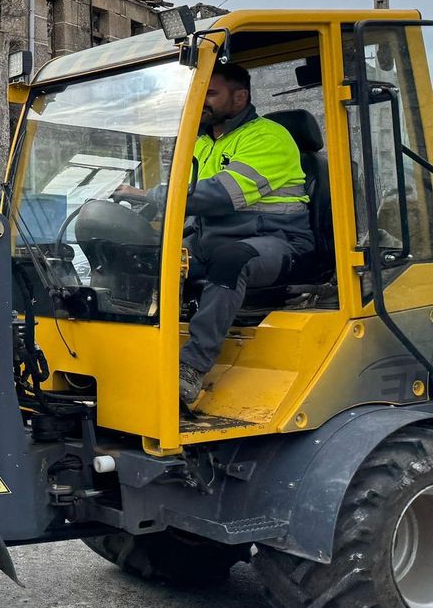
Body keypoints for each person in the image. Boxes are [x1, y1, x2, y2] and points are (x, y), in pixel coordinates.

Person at [113, 63, 312, 405]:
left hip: (279, 242)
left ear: (240, 97)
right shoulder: (204, 142)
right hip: (212, 239)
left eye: (211, 93)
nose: (201, 101)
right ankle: (129, 350)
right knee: (144, 255)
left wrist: (151, 195)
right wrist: (143, 208)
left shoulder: (269, 138)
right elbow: (183, 196)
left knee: (230, 261)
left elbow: (218, 195)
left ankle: (191, 367)